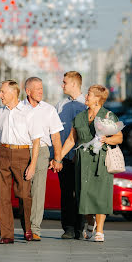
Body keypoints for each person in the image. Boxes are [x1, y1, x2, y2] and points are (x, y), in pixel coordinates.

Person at [58, 84, 123, 242]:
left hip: (101, 160)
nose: (86, 97)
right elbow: (72, 139)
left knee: (100, 195)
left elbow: (119, 137)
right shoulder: (80, 117)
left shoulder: (108, 116)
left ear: (98, 99)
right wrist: (58, 157)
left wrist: (106, 139)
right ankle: (90, 221)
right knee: (84, 195)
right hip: (82, 160)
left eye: (89, 95)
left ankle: (99, 230)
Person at [0, 80, 43, 244]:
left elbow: (36, 141)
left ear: (13, 93)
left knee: (23, 194)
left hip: (22, 154)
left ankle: (27, 228)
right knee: (2, 195)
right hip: (2, 153)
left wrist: (33, 164)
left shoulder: (29, 112)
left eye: (2, 92)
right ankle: (6, 234)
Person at [21, 77, 64, 241]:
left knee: (38, 191)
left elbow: (56, 136)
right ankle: (25, 226)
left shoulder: (49, 110)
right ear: (28, 91)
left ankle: (34, 228)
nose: (41, 91)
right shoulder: (19, 108)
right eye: (37, 88)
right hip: (23, 150)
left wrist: (57, 158)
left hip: (42, 152)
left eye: (41, 88)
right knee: (23, 191)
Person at [54, 71, 87, 239]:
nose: (62, 85)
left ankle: (81, 228)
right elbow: (55, 132)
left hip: (82, 158)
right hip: (64, 158)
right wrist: (55, 156)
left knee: (81, 193)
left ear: (74, 84)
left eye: (65, 82)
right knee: (66, 193)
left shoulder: (86, 104)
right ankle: (67, 228)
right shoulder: (60, 105)